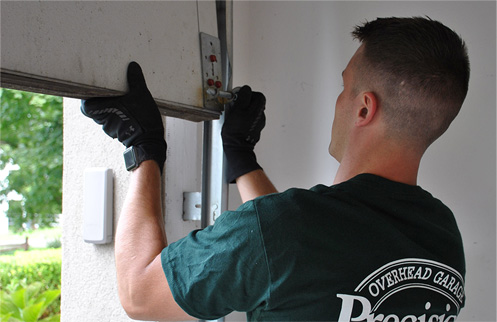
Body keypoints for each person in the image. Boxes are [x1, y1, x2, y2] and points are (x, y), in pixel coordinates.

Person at [81, 16, 469, 321]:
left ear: (364, 108)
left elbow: (139, 294)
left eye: (344, 87)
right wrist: (241, 157)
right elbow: (299, 261)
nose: (338, 101)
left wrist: (144, 148)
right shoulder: (442, 238)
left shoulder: (289, 230)